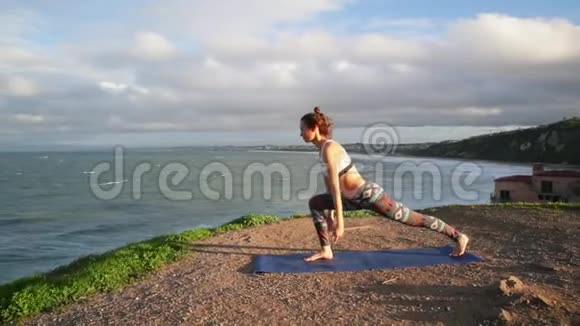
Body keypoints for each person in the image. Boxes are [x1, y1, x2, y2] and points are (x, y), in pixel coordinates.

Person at [299, 107, 469, 262]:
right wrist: (331, 216)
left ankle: (458, 236)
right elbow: (329, 183)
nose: (300, 134)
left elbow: (336, 187)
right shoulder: (321, 151)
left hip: (368, 195)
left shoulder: (330, 148)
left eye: (303, 129)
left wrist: (341, 224)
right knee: (315, 203)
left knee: (413, 219)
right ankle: (326, 250)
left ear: (314, 128)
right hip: (349, 199)